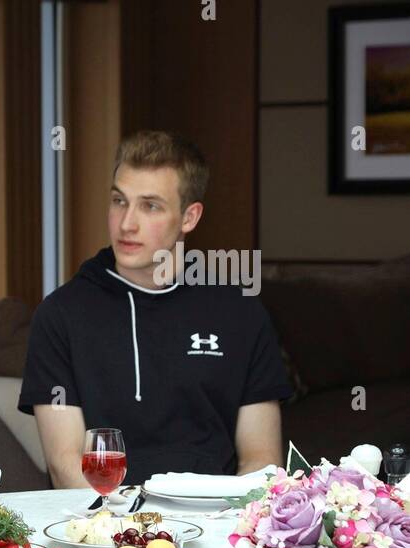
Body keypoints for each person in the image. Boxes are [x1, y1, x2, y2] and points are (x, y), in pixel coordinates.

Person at [18, 131, 292, 488]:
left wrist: (223, 525)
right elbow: (66, 465)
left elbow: (261, 460)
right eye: (119, 201)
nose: (127, 223)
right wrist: (135, 532)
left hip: (215, 524)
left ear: (189, 217)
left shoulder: (240, 313)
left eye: (150, 206)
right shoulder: (60, 316)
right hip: (107, 528)